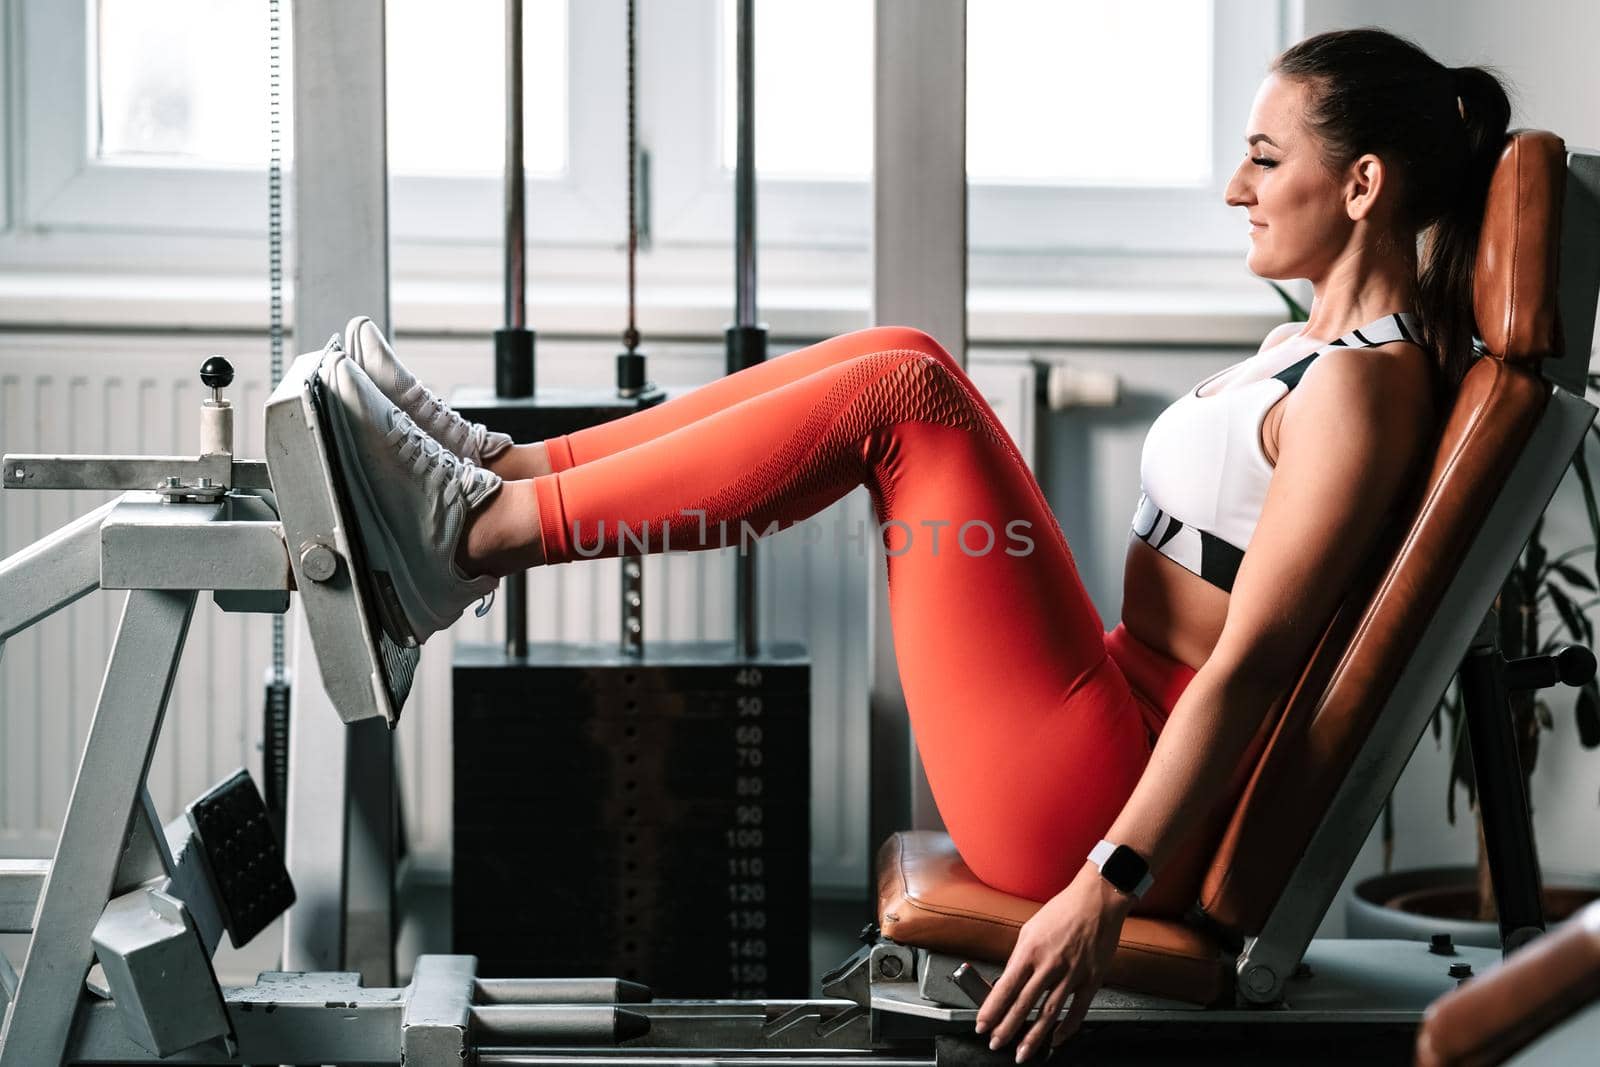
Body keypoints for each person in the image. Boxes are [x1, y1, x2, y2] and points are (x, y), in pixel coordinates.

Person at [320, 26, 1510, 1061]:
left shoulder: (1362, 390)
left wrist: (1107, 883)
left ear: (1359, 185)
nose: (1233, 187)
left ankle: (473, 534)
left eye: (1264, 157)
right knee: (907, 356)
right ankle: (504, 471)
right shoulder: (1318, 353)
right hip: (1104, 719)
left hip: (1096, 793)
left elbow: (1252, 667)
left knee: (898, 393)